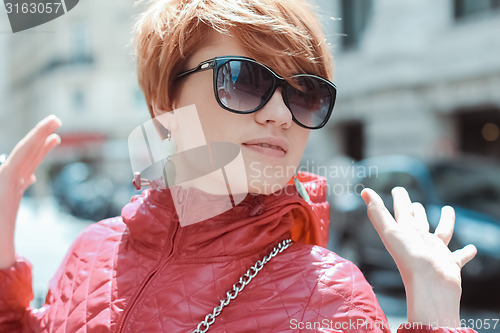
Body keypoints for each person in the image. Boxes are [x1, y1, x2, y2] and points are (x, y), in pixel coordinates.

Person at [0, 0, 478, 332]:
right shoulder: (90, 250)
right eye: (245, 80)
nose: (279, 114)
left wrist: (435, 317)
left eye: (305, 95)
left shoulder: (331, 298)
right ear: (165, 103)